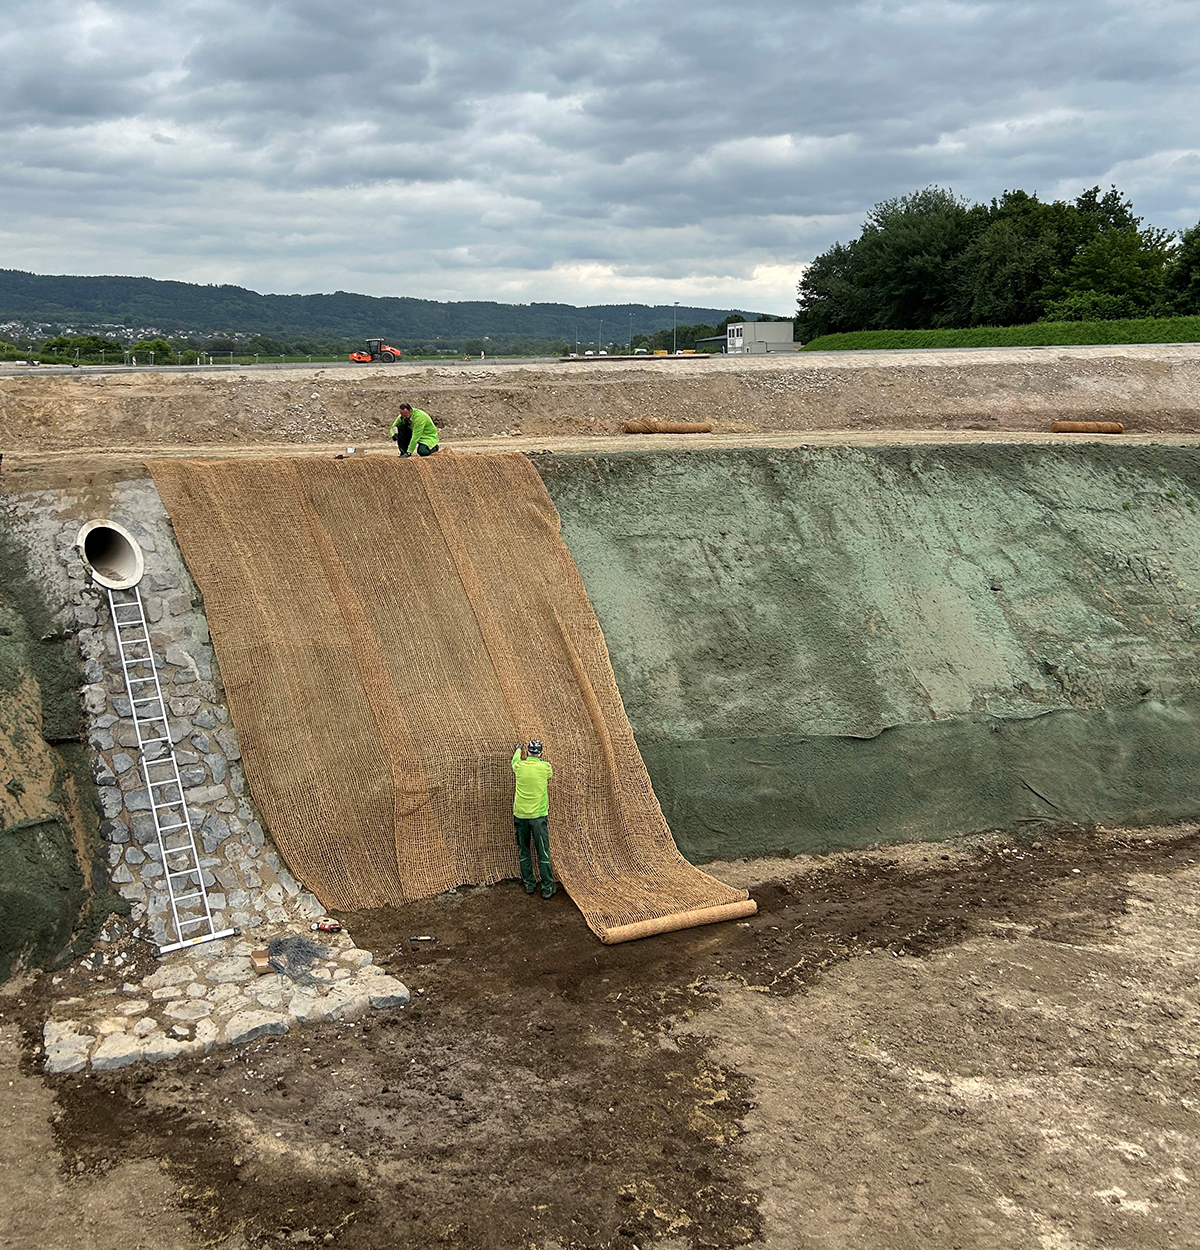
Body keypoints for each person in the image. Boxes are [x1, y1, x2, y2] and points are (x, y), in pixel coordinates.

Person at [511, 739, 555, 898]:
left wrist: (517, 750)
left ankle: (529, 884)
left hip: (520, 815)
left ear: (528, 752)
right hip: (538, 817)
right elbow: (549, 774)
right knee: (543, 852)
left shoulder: (519, 766)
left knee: (524, 850)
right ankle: (547, 888)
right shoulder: (545, 768)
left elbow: (514, 761)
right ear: (540, 753)